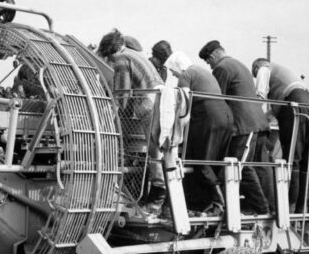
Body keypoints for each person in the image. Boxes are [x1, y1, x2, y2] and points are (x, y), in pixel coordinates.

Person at [199, 41, 271, 214]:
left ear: (214, 56)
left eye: (208, 61)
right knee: (254, 168)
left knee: (240, 168)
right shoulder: (239, 65)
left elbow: (216, 101)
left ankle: (261, 209)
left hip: (243, 126)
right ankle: (260, 207)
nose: (209, 65)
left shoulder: (222, 68)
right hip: (256, 123)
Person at [98, 29, 166, 212]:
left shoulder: (120, 59)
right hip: (163, 97)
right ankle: (160, 193)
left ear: (110, 52)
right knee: (159, 148)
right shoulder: (134, 53)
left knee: (153, 149)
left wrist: (110, 116)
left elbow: (122, 94)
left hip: (150, 100)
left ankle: (158, 194)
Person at [165, 50, 233, 214]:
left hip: (208, 116)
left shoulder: (186, 75)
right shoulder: (200, 71)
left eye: (172, 70)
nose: (173, 75)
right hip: (226, 115)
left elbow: (182, 107)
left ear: (178, 66)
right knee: (214, 162)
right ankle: (212, 202)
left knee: (200, 162)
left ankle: (218, 202)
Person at [252, 58, 309, 213]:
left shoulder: (264, 69)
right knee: (305, 159)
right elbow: (273, 111)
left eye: (254, 75)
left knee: (292, 158)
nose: (256, 77)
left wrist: (252, 116)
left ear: (256, 67)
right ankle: (302, 208)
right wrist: (264, 118)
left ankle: (288, 207)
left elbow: (260, 95)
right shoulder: (285, 73)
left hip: (295, 105)